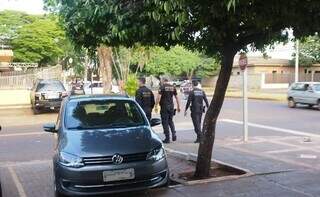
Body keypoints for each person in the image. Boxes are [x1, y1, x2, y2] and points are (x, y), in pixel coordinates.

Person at [155, 77, 181, 143]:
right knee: (170, 121)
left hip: (164, 107)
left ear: (163, 81)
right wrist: (178, 106)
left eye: (161, 81)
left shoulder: (162, 87)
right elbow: (177, 97)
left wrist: (156, 105)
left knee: (165, 122)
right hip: (171, 106)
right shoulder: (173, 87)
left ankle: (167, 138)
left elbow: (158, 97)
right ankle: (174, 133)